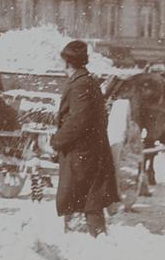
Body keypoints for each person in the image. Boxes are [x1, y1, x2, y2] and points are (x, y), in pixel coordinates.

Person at [51, 40, 119, 238]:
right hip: (86, 151)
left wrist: (56, 141)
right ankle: (89, 239)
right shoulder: (84, 81)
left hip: (82, 154)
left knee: (84, 198)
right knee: (86, 198)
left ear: (67, 62)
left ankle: (90, 240)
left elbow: (78, 121)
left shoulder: (80, 84)